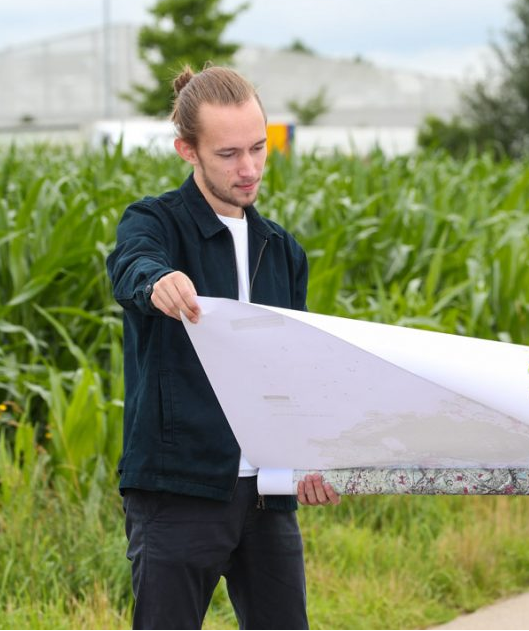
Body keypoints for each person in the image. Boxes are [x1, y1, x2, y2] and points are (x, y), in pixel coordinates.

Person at [106, 64, 340, 630]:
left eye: (259, 148)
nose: (250, 169)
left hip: (268, 495)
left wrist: (310, 455)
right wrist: (156, 283)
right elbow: (130, 265)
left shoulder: (281, 249)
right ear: (187, 150)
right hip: (178, 489)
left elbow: (295, 369)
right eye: (229, 153)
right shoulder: (155, 223)